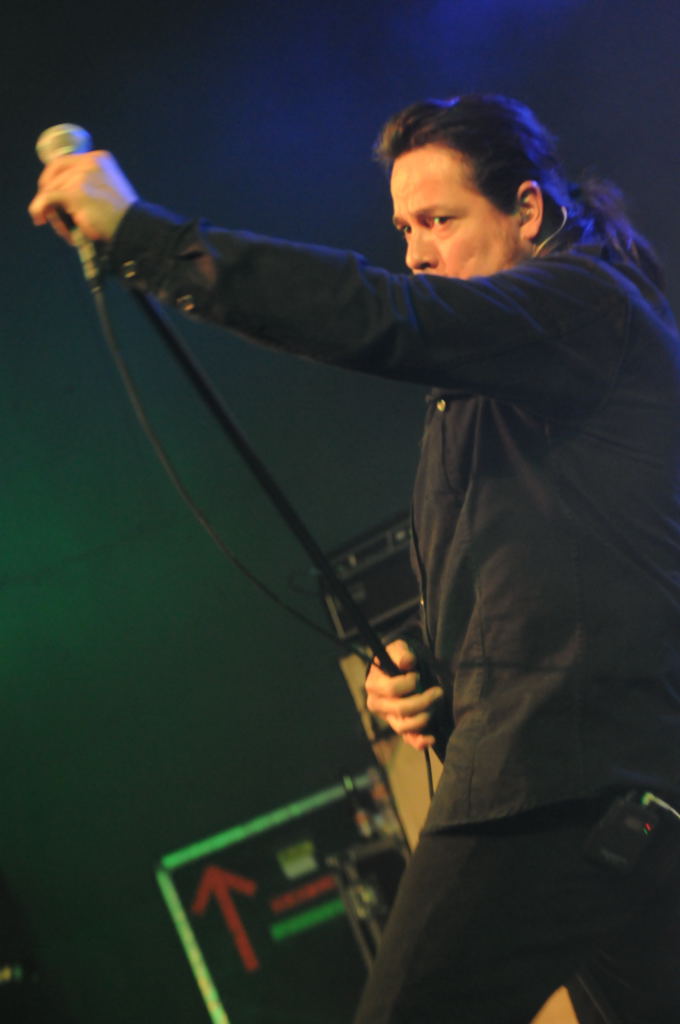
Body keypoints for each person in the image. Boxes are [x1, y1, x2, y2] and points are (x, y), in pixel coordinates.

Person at [30, 95, 680, 1023]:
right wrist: (433, 674)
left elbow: (384, 314)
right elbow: (553, 579)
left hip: (559, 782)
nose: (417, 252)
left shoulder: (589, 305)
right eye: (404, 229)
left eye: (440, 220)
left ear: (527, 210)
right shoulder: (488, 393)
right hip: (613, 775)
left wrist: (148, 236)